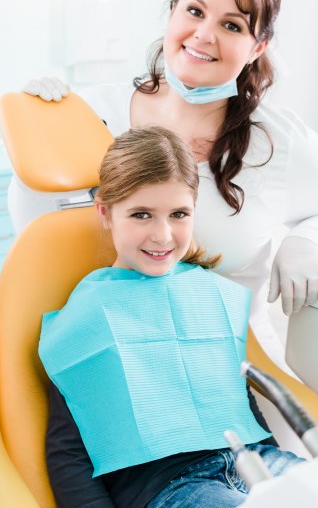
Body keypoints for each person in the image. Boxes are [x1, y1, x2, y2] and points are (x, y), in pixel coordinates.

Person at [15, 0, 318, 369]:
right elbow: (34, 233)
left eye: (231, 25)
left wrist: (306, 241)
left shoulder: (279, 143)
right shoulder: (89, 113)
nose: (203, 35)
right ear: (171, 13)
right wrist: (38, 129)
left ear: (258, 47)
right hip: (105, 359)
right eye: (195, 11)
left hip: (230, 365)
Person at [39, 126, 303, 508]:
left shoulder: (211, 292)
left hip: (254, 461)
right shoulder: (88, 318)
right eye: (141, 214)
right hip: (172, 487)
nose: (162, 236)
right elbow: (67, 453)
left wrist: (275, 479)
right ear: (105, 213)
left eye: (178, 214)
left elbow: (241, 406)